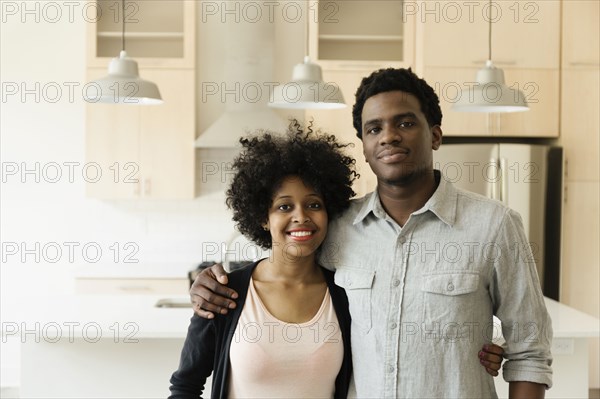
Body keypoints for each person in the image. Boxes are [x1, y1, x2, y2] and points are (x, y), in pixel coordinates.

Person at [191, 68, 553, 398]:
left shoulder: (494, 225)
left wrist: (494, 347)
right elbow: (287, 265)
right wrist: (209, 282)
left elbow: (530, 352)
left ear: (436, 135)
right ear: (364, 147)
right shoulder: (339, 227)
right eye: (374, 128)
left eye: (406, 123)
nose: (389, 137)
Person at [169, 122, 356, 398]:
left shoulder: (346, 293)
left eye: (314, 204)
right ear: (262, 218)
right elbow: (185, 387)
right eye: (284, 206)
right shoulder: (226, 294)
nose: (301, 216)